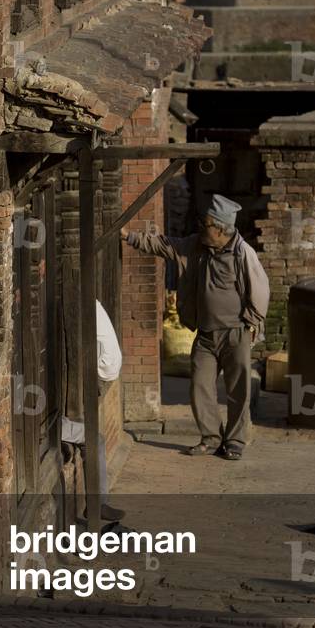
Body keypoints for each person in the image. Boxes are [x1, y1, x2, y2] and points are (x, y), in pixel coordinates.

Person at [121, 194, 269, 461]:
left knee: (238, 391)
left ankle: (234, 441)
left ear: (222, 229)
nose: (202, 227)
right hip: (206, 334)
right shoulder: (195, 246)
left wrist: (250, 323)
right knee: (200, 386)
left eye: (207, 224)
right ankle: (211, 438)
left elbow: (260, 292)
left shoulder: (242, 253)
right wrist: (129, 237)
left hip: (236, 332)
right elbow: (165, 246)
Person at [61, 300, 125, 521]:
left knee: (93, 437)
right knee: (93, 439)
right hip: (43, 424)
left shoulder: (80, 300)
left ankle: (98, 504)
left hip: (103, 369)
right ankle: (98, 505)